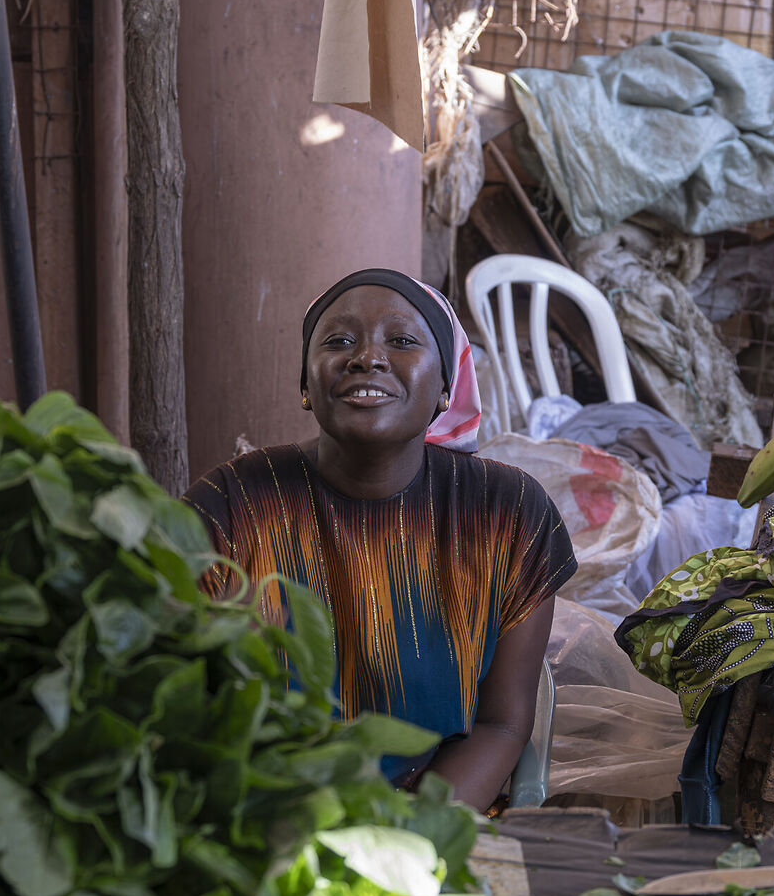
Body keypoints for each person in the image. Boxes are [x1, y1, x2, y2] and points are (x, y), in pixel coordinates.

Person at [186, 269, 575, 810]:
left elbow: (502, 724)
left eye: (402, 341)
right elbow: (194, 704)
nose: (367, 357)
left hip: (436, 821)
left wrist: (409, 837)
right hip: (261, 813)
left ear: (445, 388)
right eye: (339, 341)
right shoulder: (233, 506)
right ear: (305, 386)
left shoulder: (506, 514)